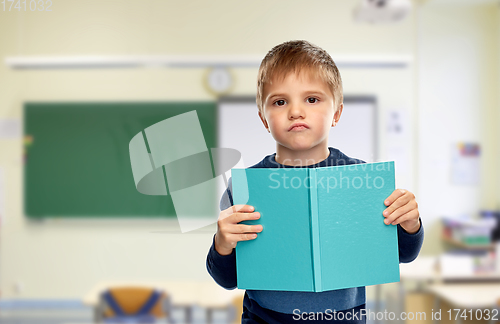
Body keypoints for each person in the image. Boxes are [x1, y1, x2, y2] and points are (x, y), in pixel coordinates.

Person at [206, 40, 424, 323]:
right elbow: (227, 279)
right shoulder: (245, 187)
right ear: (264, 118)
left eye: (312, 99)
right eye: (280, 101)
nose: (296, 111)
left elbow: (403, 255)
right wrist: (222, 244)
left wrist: (410, 224)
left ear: (336, 113)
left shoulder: (363, 181)